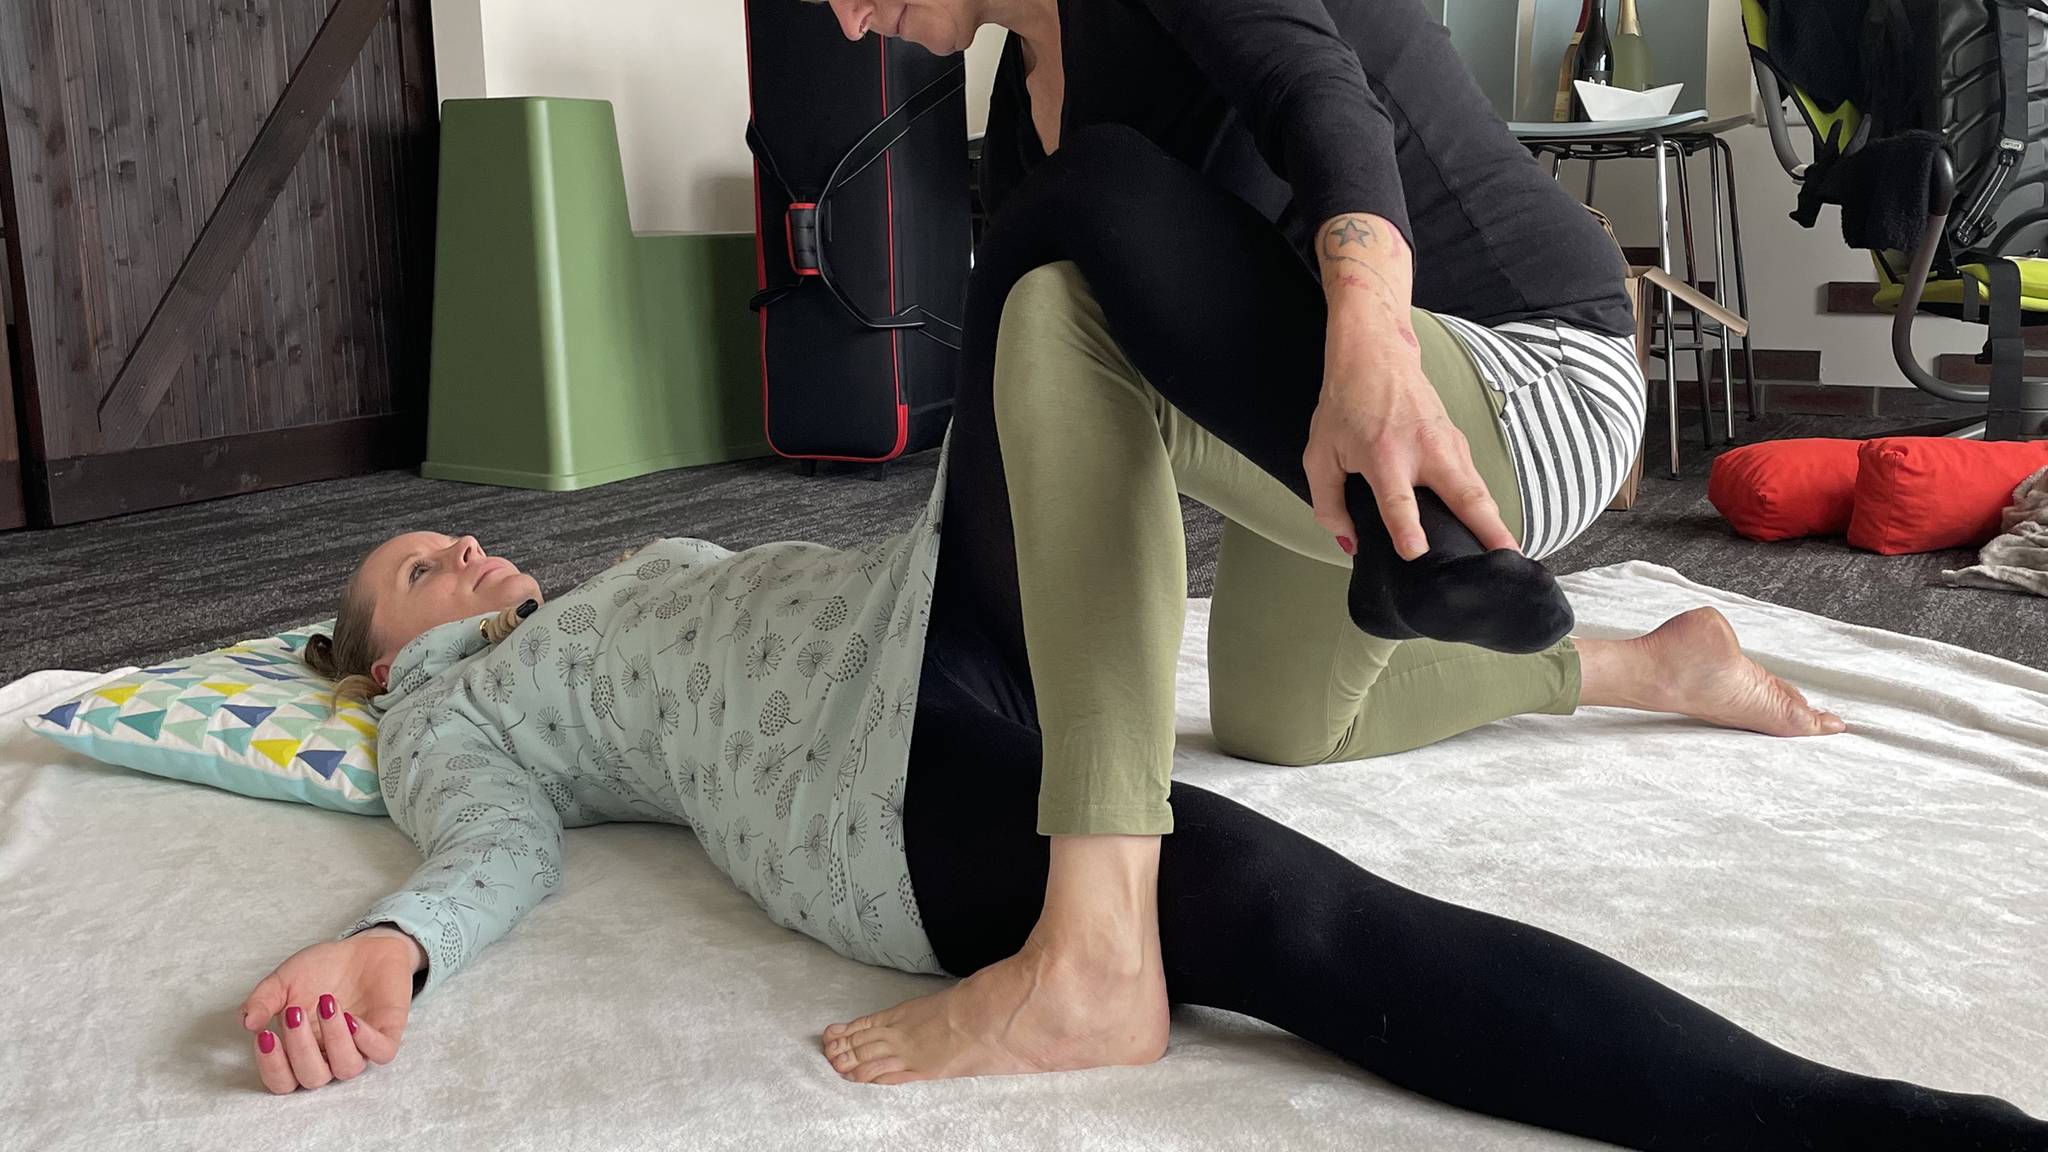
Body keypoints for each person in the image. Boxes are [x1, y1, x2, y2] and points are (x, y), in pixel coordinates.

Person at [237, 298, 2048, 1147]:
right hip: (863, 794)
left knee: (1067, 295)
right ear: (380, 661)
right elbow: (487, 847)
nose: (459, 551)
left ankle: (1405, 485)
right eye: (416, 568)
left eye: (447, 539)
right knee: (1303, 923)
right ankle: (1894, 1131)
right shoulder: (453, 709)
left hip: (935, 622)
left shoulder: (621, 571)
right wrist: (392, 946)